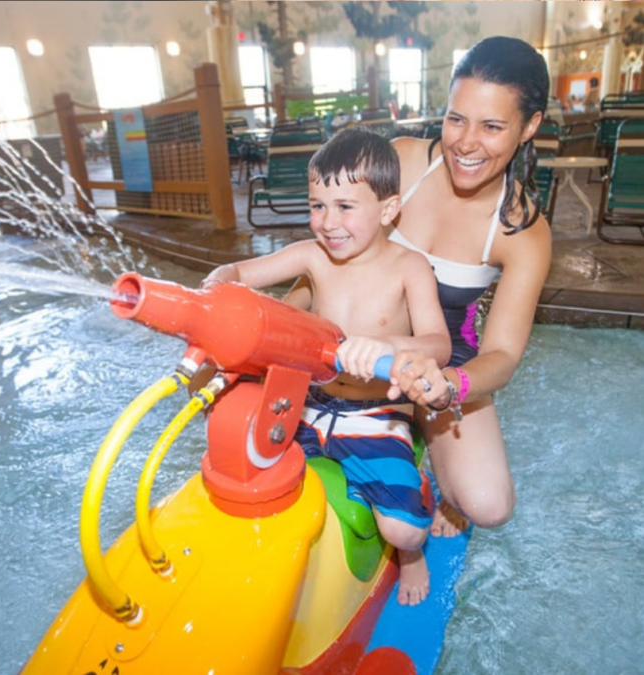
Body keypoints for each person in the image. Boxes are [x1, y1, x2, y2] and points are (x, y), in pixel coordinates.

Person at [200, 126, 452, 605]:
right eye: (317, 206)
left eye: (345, 207)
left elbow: (438, 344)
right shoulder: (312, 257)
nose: (328, 222)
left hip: (376, 416)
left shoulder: (409, 267)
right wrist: (217, 283)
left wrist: (384, 344)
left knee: (402, 530)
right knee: (243, 464)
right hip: (311, 403)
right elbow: (240, 274)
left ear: (388, 210)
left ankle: (411, 549)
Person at [384, 36, 552, 540]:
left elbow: (501, 353)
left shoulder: (521, 229)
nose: (466, 142)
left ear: (530, 127)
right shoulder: (404, 163)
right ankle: (405, 425)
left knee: (488, 503)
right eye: (456, 118)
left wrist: (450, 389)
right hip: (365, 336)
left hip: (446, 364)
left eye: (493, 126)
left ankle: (427, 435)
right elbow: (327, 253)